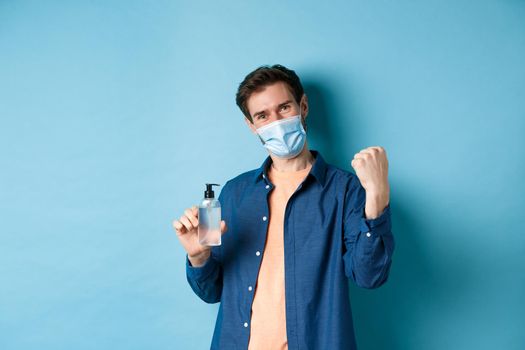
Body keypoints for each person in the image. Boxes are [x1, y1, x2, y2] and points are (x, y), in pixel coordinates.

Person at [172, 64, 395, 349]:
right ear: (251, 125)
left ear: (303, 106)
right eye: (262, 116)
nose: (275, 121)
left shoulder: (346, 189)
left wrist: (377, 193)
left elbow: (370, 276)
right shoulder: (232, 193)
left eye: (284, 107)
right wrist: (198, 255)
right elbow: (211, 291)